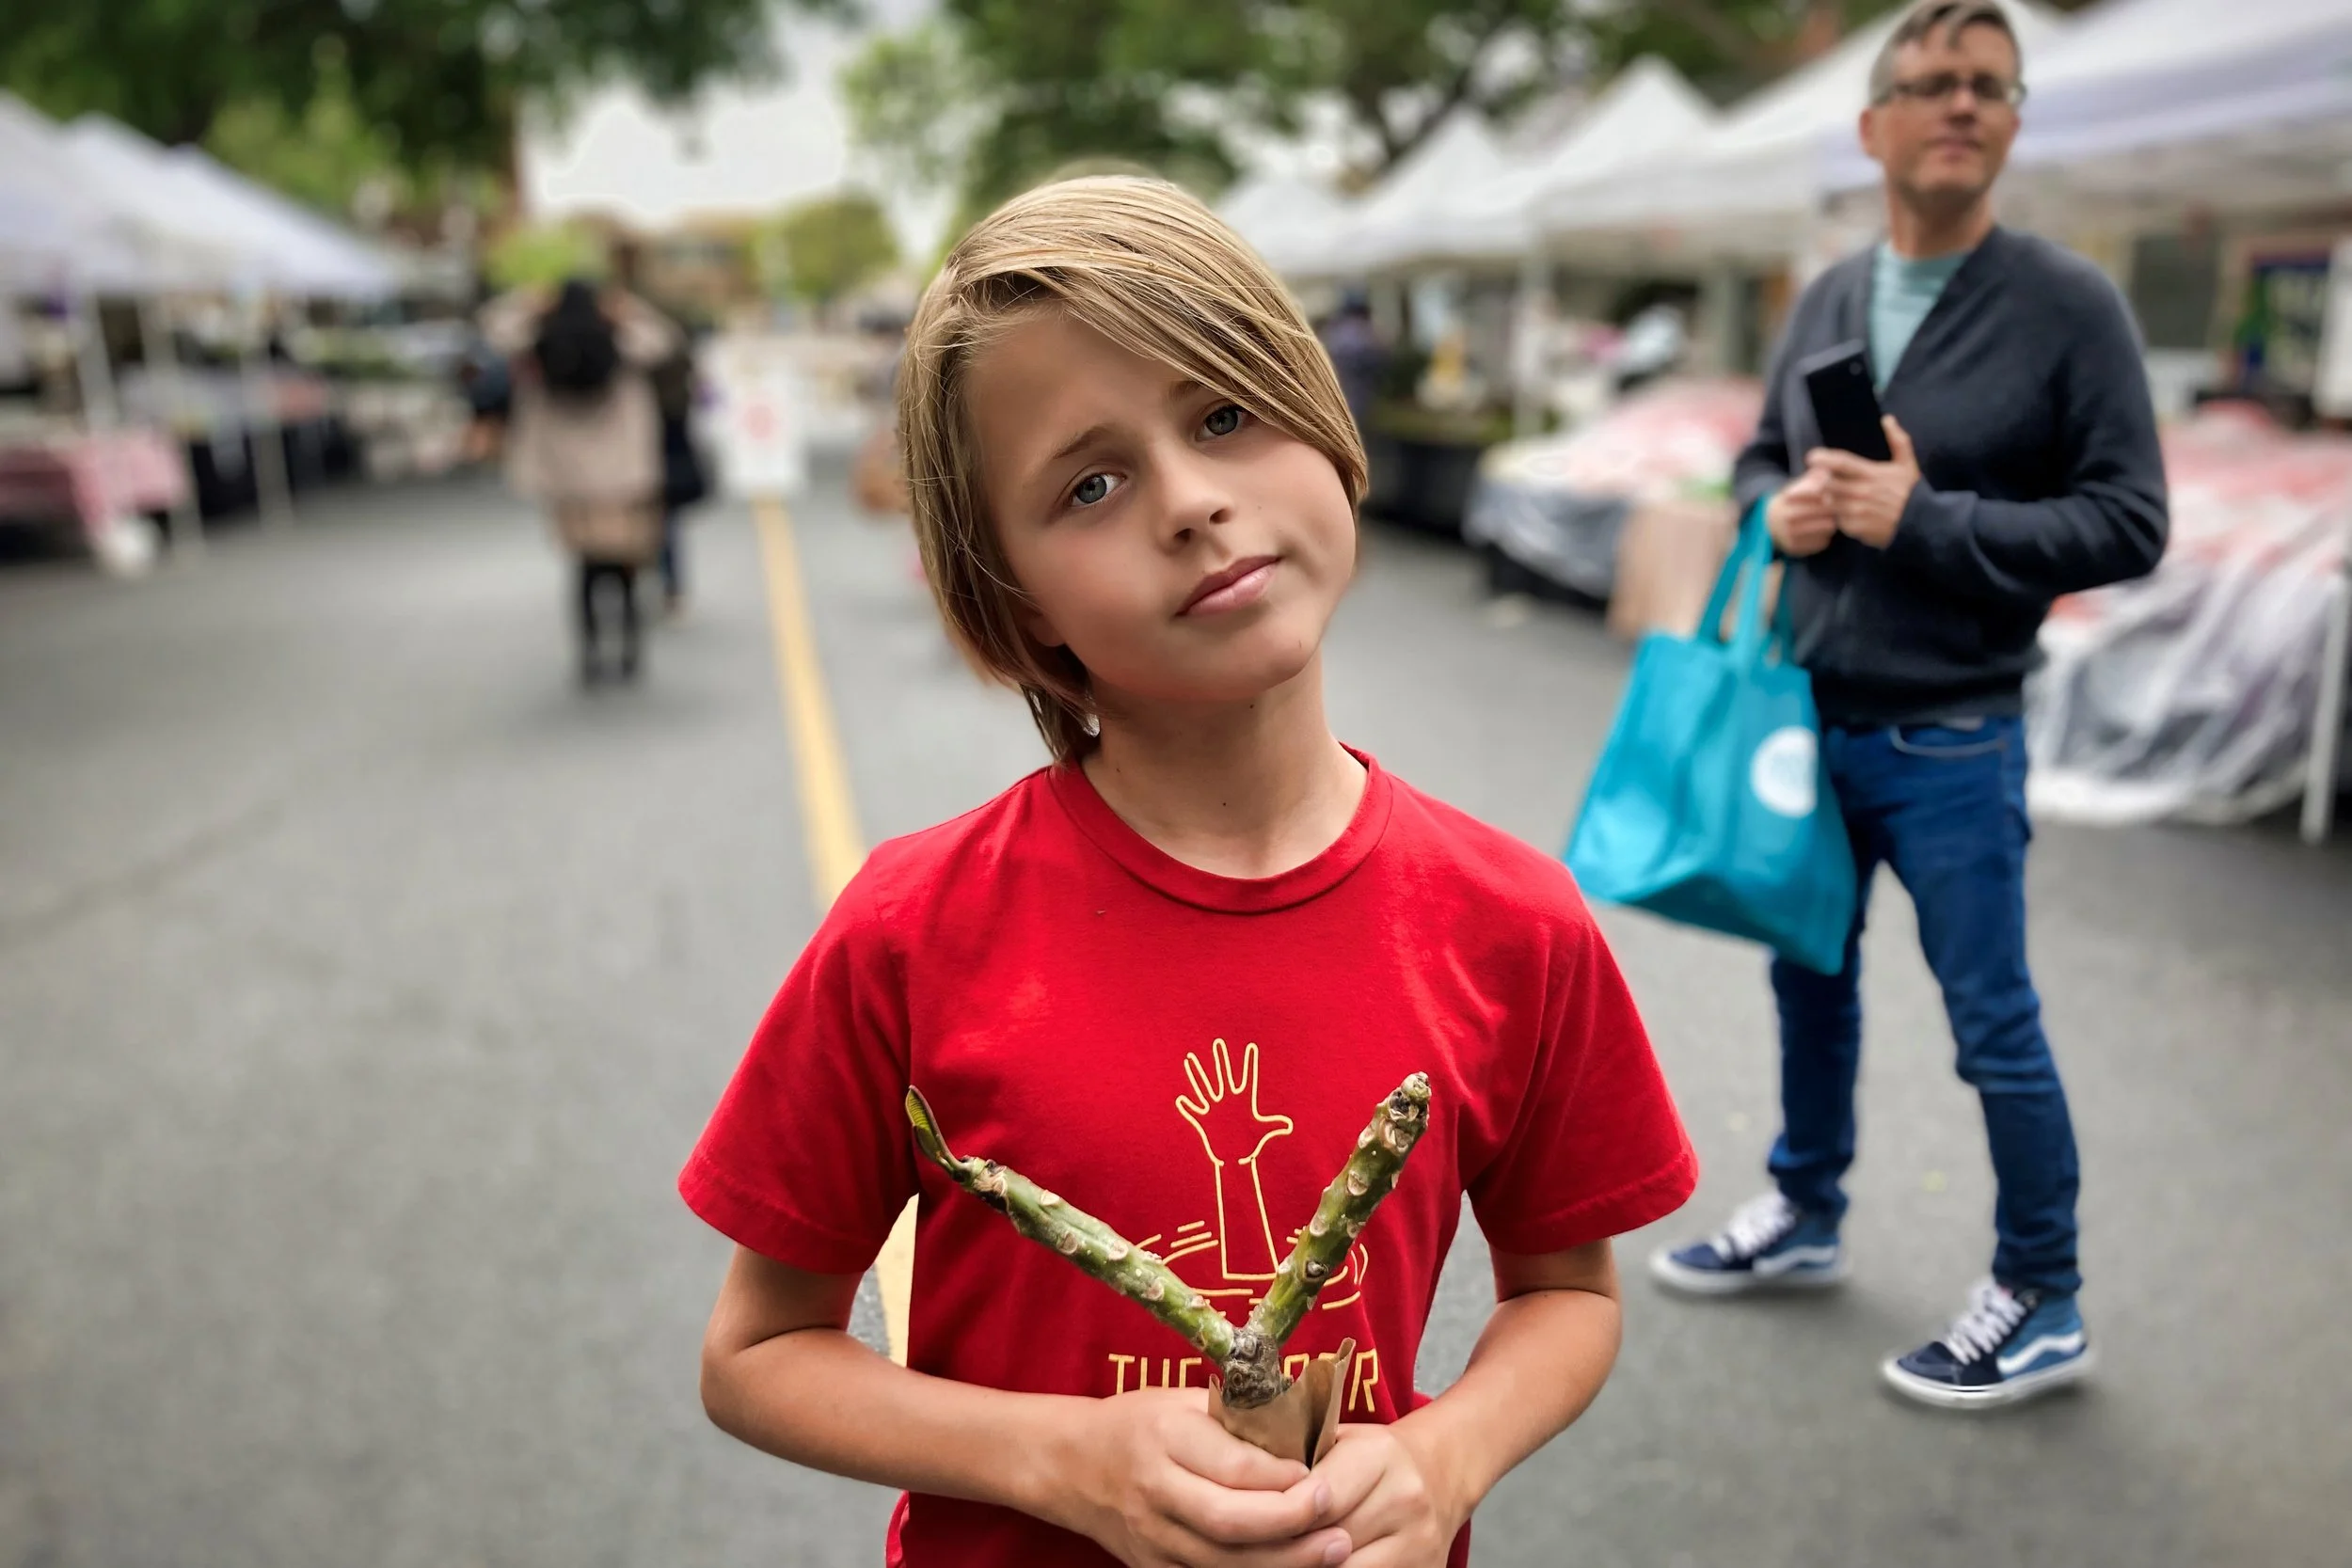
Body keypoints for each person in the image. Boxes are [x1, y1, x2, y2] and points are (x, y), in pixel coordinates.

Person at [683, 176, 1696, 1568]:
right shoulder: (912, 931)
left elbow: (1568, 1291)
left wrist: (1445, 1454)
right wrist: (1056, 1455)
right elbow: (756, 1351)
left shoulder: (1512, 921)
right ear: (1016, 598)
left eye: (1223, 414)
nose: (1192, 502)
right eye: (1089, 485)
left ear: (1320, 419)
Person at [1650, 0, 2168, 1411]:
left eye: (1990, 85)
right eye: (1934, 82)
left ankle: (2043, 1292)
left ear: (2012, 123)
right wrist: (1784, 510)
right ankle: (1804, 1207)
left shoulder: (2067, 303)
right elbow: (1758, 460)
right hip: (1809, 715)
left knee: (1991, 1020)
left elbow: (2129, 521)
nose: (1963, 104)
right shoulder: (1828, 295)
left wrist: (1920, 517)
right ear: (1872, 126)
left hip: (1953, 733)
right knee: (1807, 980)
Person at [481, 277, 680, 684]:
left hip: (567, 478)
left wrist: (529, 303)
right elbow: (663, 342)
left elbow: (494, 329)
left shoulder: (543, 343)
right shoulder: (619, 342)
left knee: (584, 569)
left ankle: (590, 652)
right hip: (622, 478)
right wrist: (627, 309)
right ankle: (629, 648)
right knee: (624, 566)